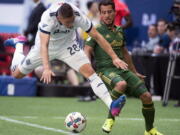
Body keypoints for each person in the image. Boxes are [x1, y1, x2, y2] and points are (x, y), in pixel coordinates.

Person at [4, 1, 127, 117]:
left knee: (90, 72)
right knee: (16, 74)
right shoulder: (48, 18)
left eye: (72, 21)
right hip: (46, 46)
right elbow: (44, 45)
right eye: (68, 23)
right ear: (59, 18)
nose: (71, 25)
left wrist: (114, 57)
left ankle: (111, 105)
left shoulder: (78, 16)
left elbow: (98, 36)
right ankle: (19, 44)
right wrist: (47, 68)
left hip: (67, 46)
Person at [84, 1, 163, 135]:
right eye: (104, 13)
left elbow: (125, 53)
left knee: (147, 96)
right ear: (100, 14)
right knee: (121, 84)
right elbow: (87, 50)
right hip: (105, 70)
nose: (107, 15)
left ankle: (149, 129)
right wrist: (88, 70)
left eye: (109, 12)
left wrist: (134, 72)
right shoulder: (95, 30)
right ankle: (110, 120)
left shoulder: (120, 30)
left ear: (115, 12)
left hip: (122, 69)